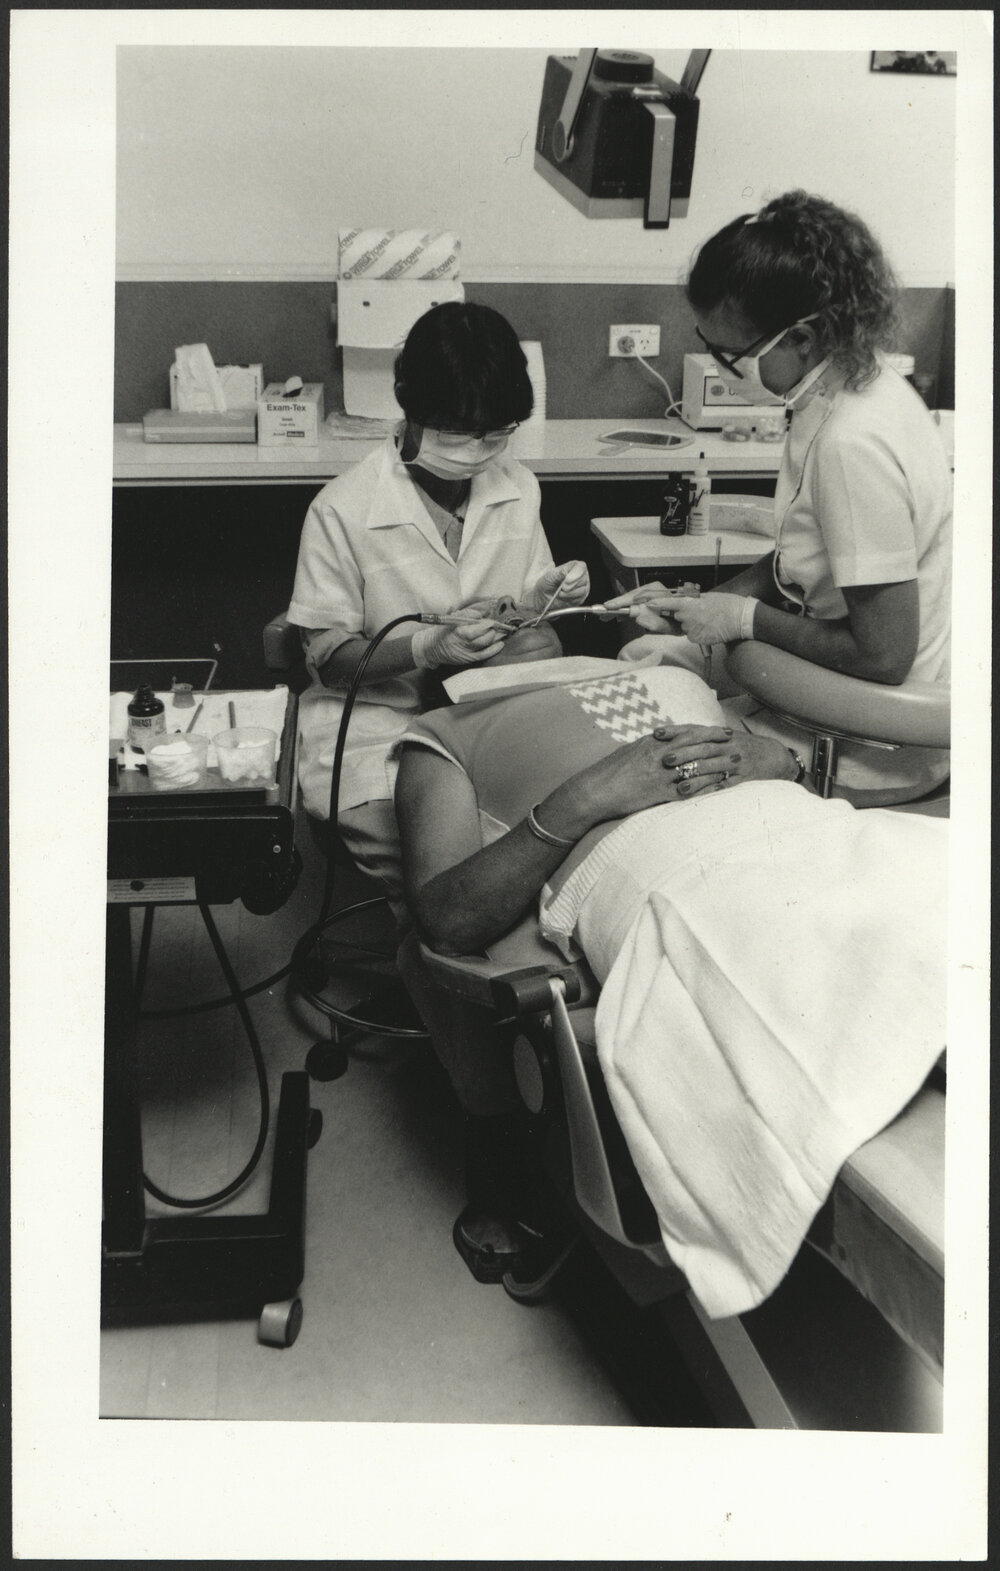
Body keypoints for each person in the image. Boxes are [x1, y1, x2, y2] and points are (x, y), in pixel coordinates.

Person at [393, 645, 947, 1308]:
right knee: (827, 965)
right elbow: (447, 916)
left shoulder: (672, 677)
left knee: (940, 892)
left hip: (813, 832)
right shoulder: (446, 735)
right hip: (681, 879)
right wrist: (591, 793)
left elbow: (771, 775)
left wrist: (784, 762)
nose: (517, 611)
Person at [607, 190, 952, 806]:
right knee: (647, 655)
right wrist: (709, 603)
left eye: (728, 354)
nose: (719, 366)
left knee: (640, 762)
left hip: (871, 737)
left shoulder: (854, 442)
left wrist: (742, 621)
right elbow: (804, 559)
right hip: (836, 694)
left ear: (802, 337)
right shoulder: (847, 387)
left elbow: (882, 656)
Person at [286, 301, 588, 898]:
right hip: (379, 719)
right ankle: (437, 964)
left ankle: (493, 966)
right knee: (436, 855)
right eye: (457, 430)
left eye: (496, 433)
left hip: (489, 711)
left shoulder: (519, 488)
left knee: (542, 833)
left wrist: (546, 598)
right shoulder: (342, 509)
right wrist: (427, 648)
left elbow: (532, 622)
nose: (477, 449)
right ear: (408, 401)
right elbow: (328, 658)